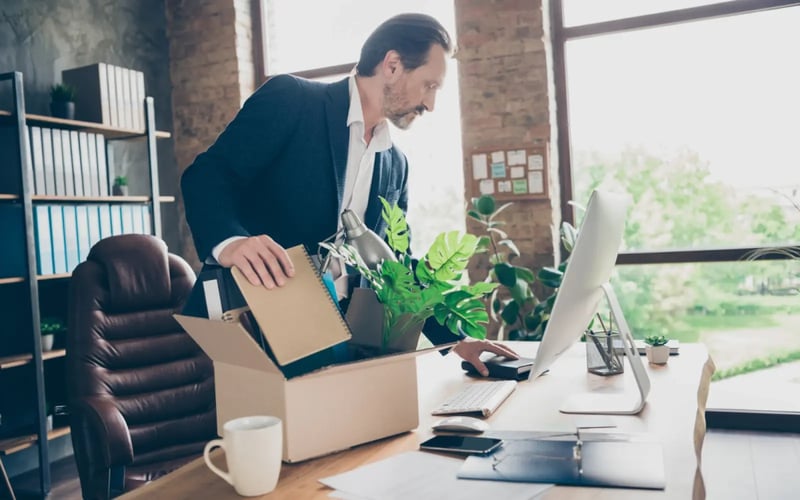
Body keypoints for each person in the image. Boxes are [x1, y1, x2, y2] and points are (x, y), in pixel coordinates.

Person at [181, 12, 517, 375]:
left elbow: (395, 266)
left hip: (326, 343)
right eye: (429, 86)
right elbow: (207, 176)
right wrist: (232, 242)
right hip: (244, 331)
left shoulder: (395, 164)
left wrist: (453, 339)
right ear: (392, 66)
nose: (431, 104)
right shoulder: (291, 101)